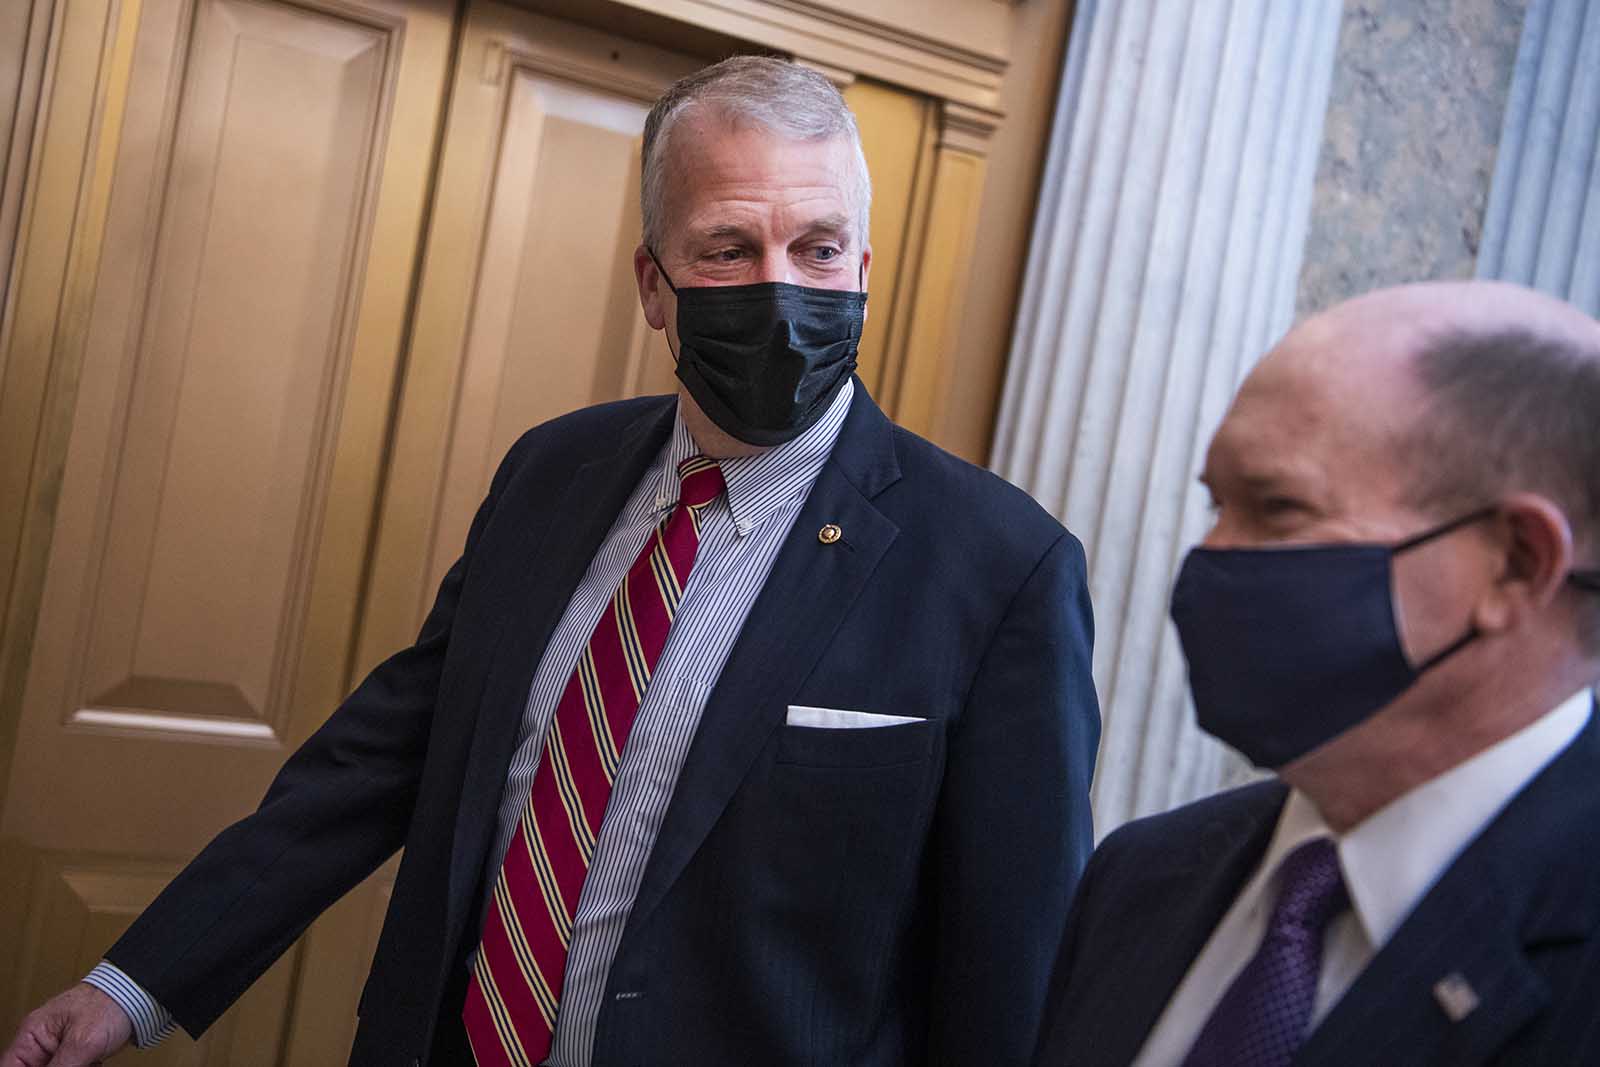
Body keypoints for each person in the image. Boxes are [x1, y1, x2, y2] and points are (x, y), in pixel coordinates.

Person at [4, 57, 1099, 1067]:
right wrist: (133, 982)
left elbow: (1011, 966)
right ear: (654, 284)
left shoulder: (1001, 569)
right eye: (728, 247)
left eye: (817, 248)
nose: (782, 287)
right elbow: (384, 754)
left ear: (862, 266)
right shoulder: (552, 472)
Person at [1033, 280, 1600, 1067]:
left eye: (1278, 507)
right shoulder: (1141, 878)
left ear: (1516, 564)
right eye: (1216, 505)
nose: (1210, 558)